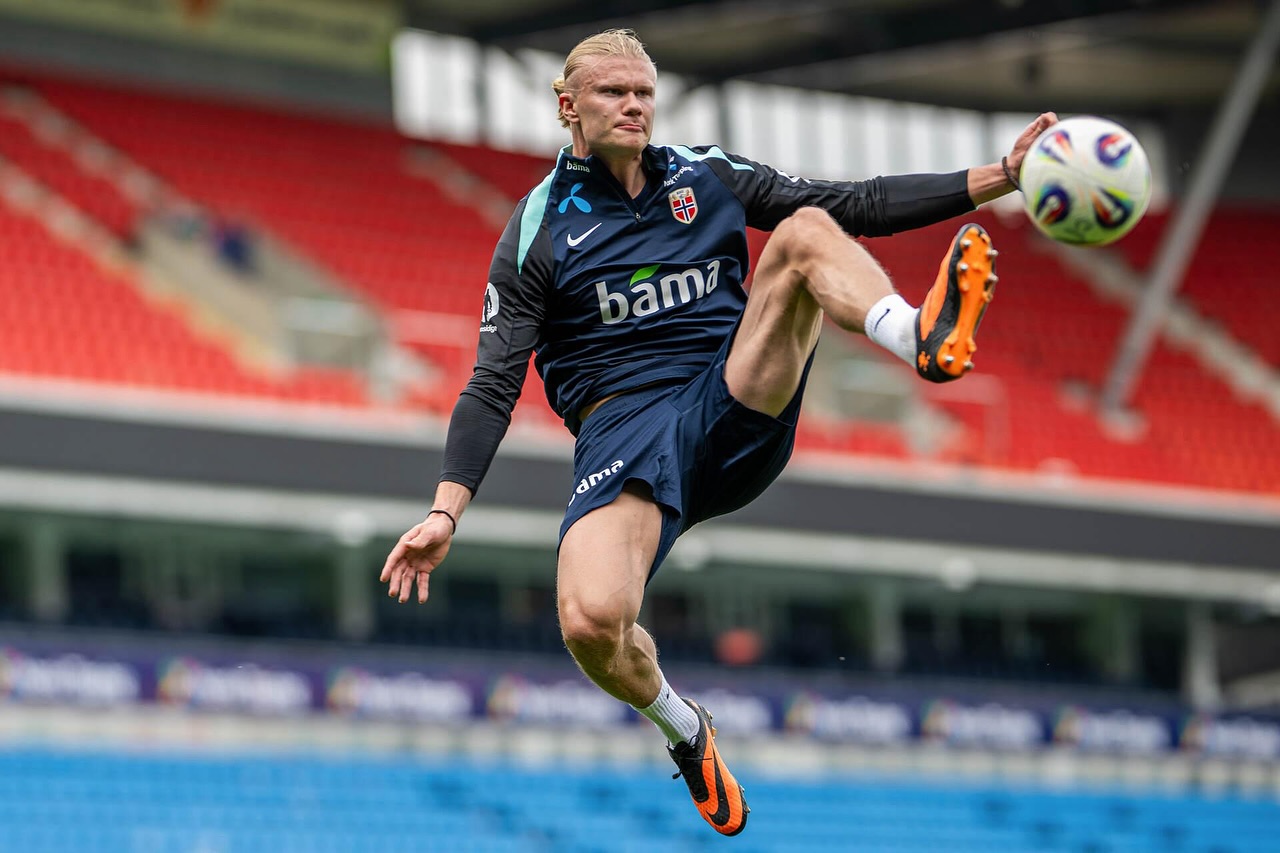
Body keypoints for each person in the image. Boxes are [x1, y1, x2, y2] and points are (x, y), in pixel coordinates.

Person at [381, 28, 1057, 837]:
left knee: (805, 230)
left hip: (731, 395)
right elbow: (493, 381)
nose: (633, 105)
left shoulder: (706, 174)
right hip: (624, 436)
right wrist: (446, 510)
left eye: (644, 92)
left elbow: (857, 203)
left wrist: (1003, 175)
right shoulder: (537, 228)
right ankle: (685, 728)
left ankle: (919, 336)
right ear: (567, 106)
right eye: (612, 92)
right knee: (590, 622)